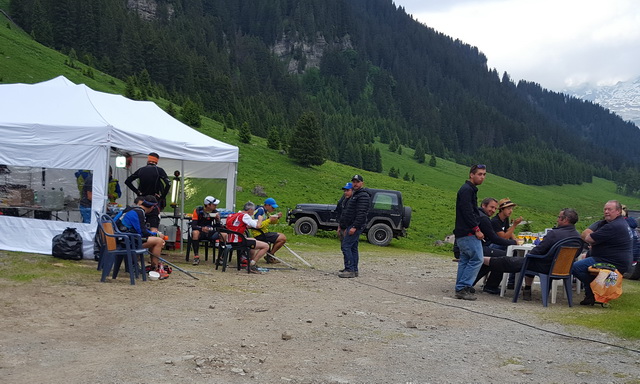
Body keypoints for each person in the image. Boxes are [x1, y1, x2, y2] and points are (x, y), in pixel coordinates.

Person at [481, 208, 580, 300]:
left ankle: (482, 259)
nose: (557, 219)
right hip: (563, 269)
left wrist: (530, 255)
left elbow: (537, 251)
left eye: (559, 217)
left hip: (544, 266)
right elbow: (577, 254)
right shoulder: (577, 237)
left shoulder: (554, 234)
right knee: (521, 261)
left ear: (565, 220)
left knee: (510, 261)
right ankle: (485, 263)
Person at [572, 200, 633, 305]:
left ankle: (595, 290)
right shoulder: (615, 222)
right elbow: (587, 235)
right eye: (605, 209)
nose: (606, 212)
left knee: (575, 267)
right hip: (611, 258)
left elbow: (588, 238)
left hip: (612, 261)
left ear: (618, 211)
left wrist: (592, 238)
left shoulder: (614, 226)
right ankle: (592, 294)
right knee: (586, 262)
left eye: (610, 209)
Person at [453, 164, 486, 300]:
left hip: (461, 232)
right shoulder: (467, 190)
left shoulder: (469, 189)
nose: (482, 177)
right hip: (468, 232)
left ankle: (460, 287)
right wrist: (476, 229)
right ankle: (463, 287)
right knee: (478, 258)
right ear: (471, 174)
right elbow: (468, 212)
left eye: (484, 174)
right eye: (479, 174)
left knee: (465, 260)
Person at [473, 197, 517, 294]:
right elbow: (501, 238)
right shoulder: (492, 220)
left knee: (512, 252)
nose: (511, 211)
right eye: (508, 208)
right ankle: (492, 285)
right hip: (486, 245)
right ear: (502, 209)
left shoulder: (503, 219)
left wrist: (515, 239)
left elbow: (507, 232)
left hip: (483, 245)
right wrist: (514, 239)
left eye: (494, 208)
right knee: (503, 257)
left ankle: (509, 282)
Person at [116, 195, 167, 278]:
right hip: (126, 241)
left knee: (155, 240)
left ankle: (153, 266)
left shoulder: (132, 209)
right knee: (159, 241)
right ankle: (155, 269)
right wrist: (157, 234)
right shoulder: (139, 212)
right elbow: (143, 232)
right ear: (152, 207)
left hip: (121, 238)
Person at [124, 152, 170, 231]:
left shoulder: (141, 170)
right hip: (153, 201)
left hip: (141, 201)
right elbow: (168, 184)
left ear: (148, 160)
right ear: (156, 161)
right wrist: (162, 197)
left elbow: (127, 181)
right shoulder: (159, 170)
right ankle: (153, 240)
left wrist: (137, 192)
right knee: (153, 224)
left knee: (140, 222)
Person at [337, 175, 370, 278]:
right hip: (350, 224)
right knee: (353, 248)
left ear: (362, 183)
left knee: (346, 246)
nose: (355, 183)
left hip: (355, 225)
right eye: (354, 182)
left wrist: (354, 226)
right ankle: (354, 269)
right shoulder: (355, 195)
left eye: (357, 182)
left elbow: (361, 213)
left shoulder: (363, 196)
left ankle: (349, 269)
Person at [225, 201, 270, 274]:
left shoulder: (235, 214)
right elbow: (257, 226)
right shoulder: (245, 216)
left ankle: (250, 261)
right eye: (253, 210)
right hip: (238, 241)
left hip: (230, 239)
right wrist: (260, 219)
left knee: (253, 240)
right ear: (250, 210)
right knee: (266, 246)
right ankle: (252, 264)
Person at [251, 197, 287, 264]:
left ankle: (270, 255)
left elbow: (269, 222)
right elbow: (257, 225)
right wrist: (269, 220)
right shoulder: (260, 211)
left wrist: (276, 218)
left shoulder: (264, 211)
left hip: (263, 232)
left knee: (281, 235)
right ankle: (270, 255)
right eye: (273, 207)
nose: (274, 209)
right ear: (267, 205)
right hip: (259, 233)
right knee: (282, 238)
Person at [190, 196, 223, 266]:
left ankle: (220, 258)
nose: (216, 206)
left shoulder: (215, 212)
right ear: (208, 205)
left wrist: (218, 220)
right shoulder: (198, 211)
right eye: (214, 205)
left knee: (224, 235)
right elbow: (193, 226)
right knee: (195, 233)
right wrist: (202, 228)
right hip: (200, 232)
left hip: (210, 232)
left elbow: (218, 227)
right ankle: (196, 256)